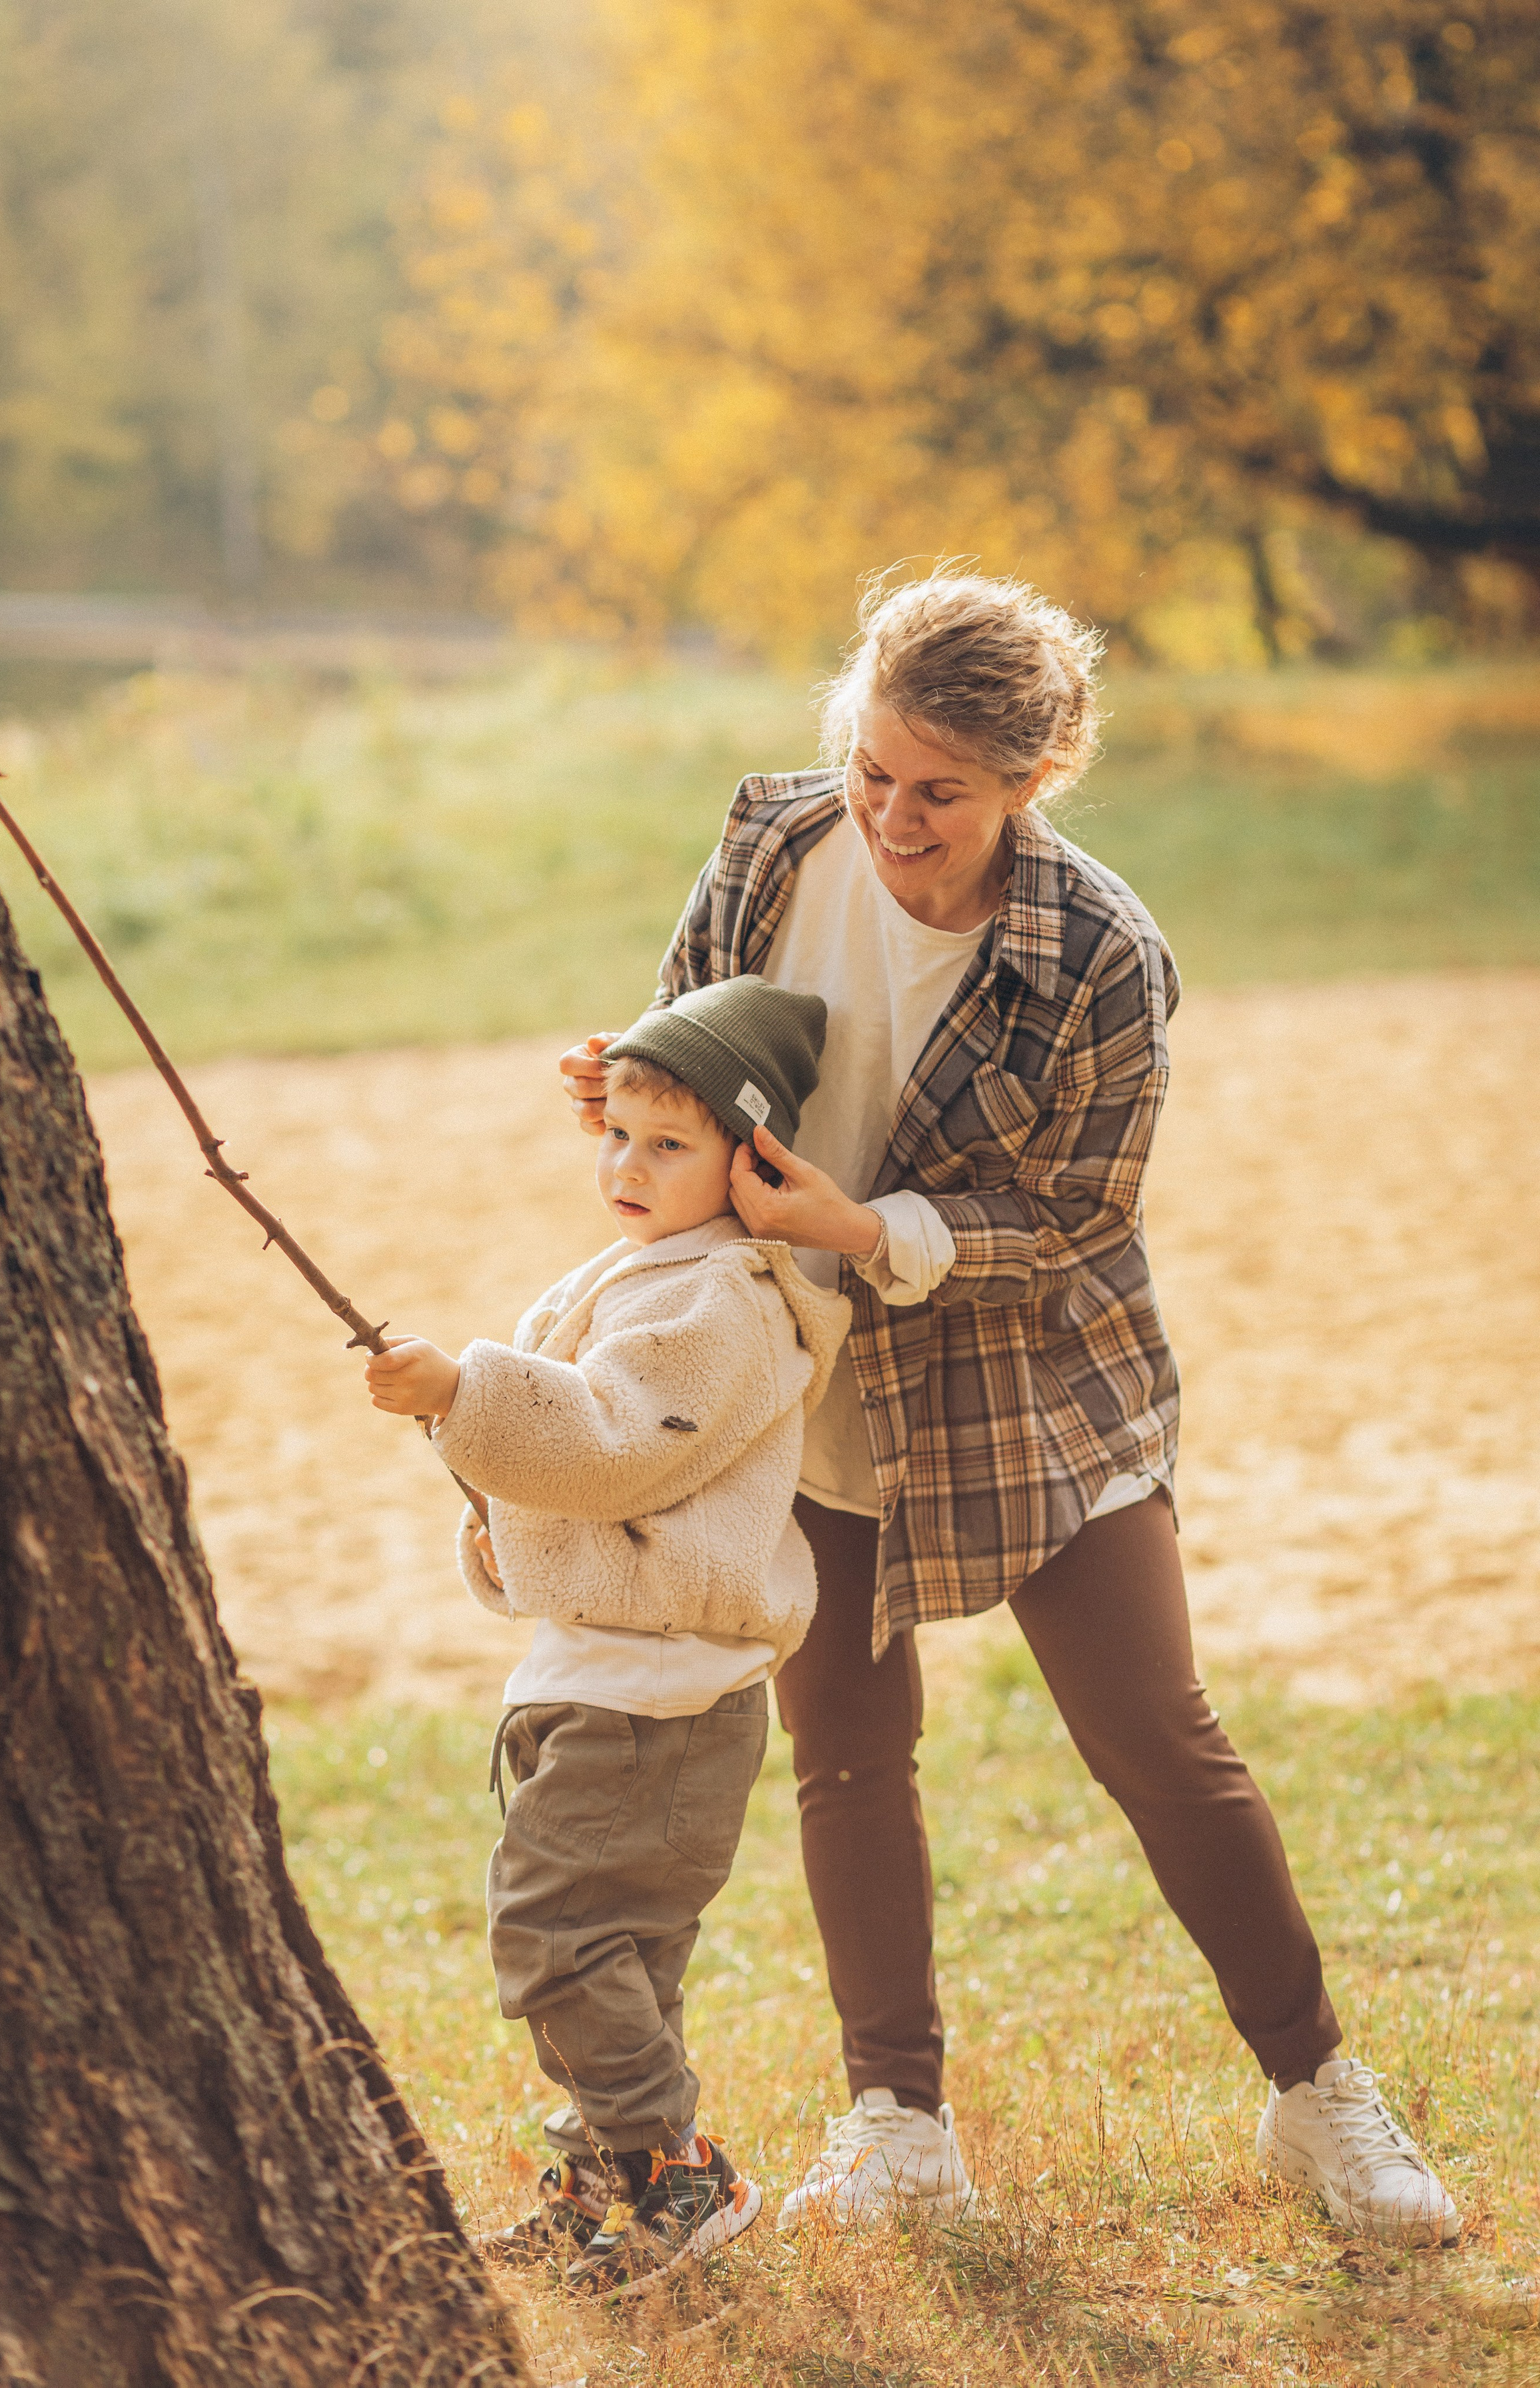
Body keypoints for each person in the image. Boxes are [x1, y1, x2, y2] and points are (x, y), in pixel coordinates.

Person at [560, 567, 1461, 2247]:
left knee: (1158, 1742)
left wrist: (863, 1228)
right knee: (846, 1751)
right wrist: (636, 1095)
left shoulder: (1099, 953)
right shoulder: (769, 843)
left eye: (941, 794)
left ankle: (1316, 2091)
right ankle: (898, 2126)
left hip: (1027, 1379)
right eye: (872, 771)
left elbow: (1070, 1221)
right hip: (803, 1371)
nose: (892, 820)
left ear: (1032, 781)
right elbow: (690, 1061)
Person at [365, 976, 851, 2294]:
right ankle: (610, 2178)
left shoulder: (724, 1300)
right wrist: (495, 1516)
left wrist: (463, 1389)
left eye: (668, 1143)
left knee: (553, 1929)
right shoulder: (649, 1271)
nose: (627, 1167)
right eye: (617, 1135)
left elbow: (613, 1445)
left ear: (750, 1164)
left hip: (661, 1700)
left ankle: (676, 2170)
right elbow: (591, 1486)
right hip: (613, 1676)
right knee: (619, 1951)